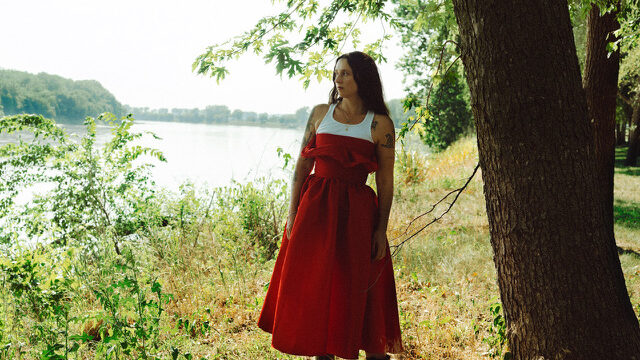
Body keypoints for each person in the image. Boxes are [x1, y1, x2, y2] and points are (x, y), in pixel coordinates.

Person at [258, 51, 403, 360]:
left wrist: (381, 230)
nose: (338, 79)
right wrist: (292, 213)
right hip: (315, 210)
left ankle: (364, 350)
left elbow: (386, 182)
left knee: (353, 286)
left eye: (345, 73)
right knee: (315, 282)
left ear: (362, 79)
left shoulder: (380, 124)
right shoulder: (320, 113)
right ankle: (320, 352)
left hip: (357, 214)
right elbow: (301, 168)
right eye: (336, 73)